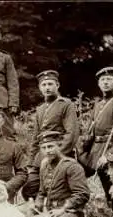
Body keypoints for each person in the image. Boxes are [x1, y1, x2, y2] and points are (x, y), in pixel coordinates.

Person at [78, 67, 113, 207]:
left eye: (109, 79)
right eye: (102, 80)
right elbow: (91, 132)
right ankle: (78, 208)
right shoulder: (98, 104)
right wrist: (82, 148)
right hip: (95, 150)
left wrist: (109, 156)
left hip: (110, 149)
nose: (105, 83)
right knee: (74, 172)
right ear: (98, 84)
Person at [22, 70, 80, 201]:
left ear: (57, 85)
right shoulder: (40, 109)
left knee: (58, 189)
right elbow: (35, 139)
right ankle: (40, 214)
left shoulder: (66, 104)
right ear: (39, 88)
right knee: (29, 187)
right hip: (41, 157)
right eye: (44, 85)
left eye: (50, 84)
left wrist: (58, 155)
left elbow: (72, 133)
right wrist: (31, 164)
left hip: (60, 154)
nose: (47, 87)